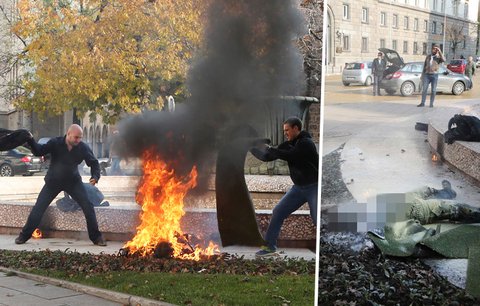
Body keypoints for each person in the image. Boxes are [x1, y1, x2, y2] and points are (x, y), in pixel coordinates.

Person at [15, 124, 107, 246]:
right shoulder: (55, 142)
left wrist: (95, 177)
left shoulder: (82, 147)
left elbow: (94, 163)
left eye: (80, 138)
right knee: (39, 208)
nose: (78, 140)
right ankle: (23, 236)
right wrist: (31, 140)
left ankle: (96, 237)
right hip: (53, 182)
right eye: (76, 137)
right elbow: (38, 151)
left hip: (73, 182)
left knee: (88, 207)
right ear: (68, 134)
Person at [250, 117, 319, 257]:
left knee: (317, 216)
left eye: (287, 130)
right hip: (298, 188)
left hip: (314, 187)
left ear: (296, 128)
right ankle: (270, 247)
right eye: (284, 131)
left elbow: (291, 156)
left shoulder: (307, 143)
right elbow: (267, 157)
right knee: (278, 211)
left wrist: (271, 148)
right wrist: (251, 148)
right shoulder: (288, 144)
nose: (285, 133)